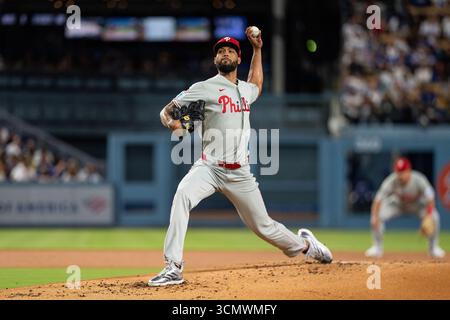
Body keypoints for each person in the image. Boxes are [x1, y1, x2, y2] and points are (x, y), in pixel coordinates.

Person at [149, 27, 332, 287]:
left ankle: (306, 246)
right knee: (182, 195)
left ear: (238, 59)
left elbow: (257, 84)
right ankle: (173, 267)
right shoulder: (203, 88)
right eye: (221, 51)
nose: (225, 53)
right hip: (209, 167)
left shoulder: (245, 90)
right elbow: (167, 112)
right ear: (215, 60)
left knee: (263, 226)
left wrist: (258, 49)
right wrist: (175, 125)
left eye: (231, 51)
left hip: (241, 172)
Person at [365, 157, 445, 258]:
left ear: (409, 171)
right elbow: (378, 199)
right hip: (397, 205)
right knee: (377, 215)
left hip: (416, 205)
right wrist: (374, 216)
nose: (400, 175)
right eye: (398, 172)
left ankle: (433, 248)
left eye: (403, 171)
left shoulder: (419, 179)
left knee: (434, 216)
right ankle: (377, 247)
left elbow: (430, 197)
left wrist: (428, 215)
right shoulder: (391, 180)